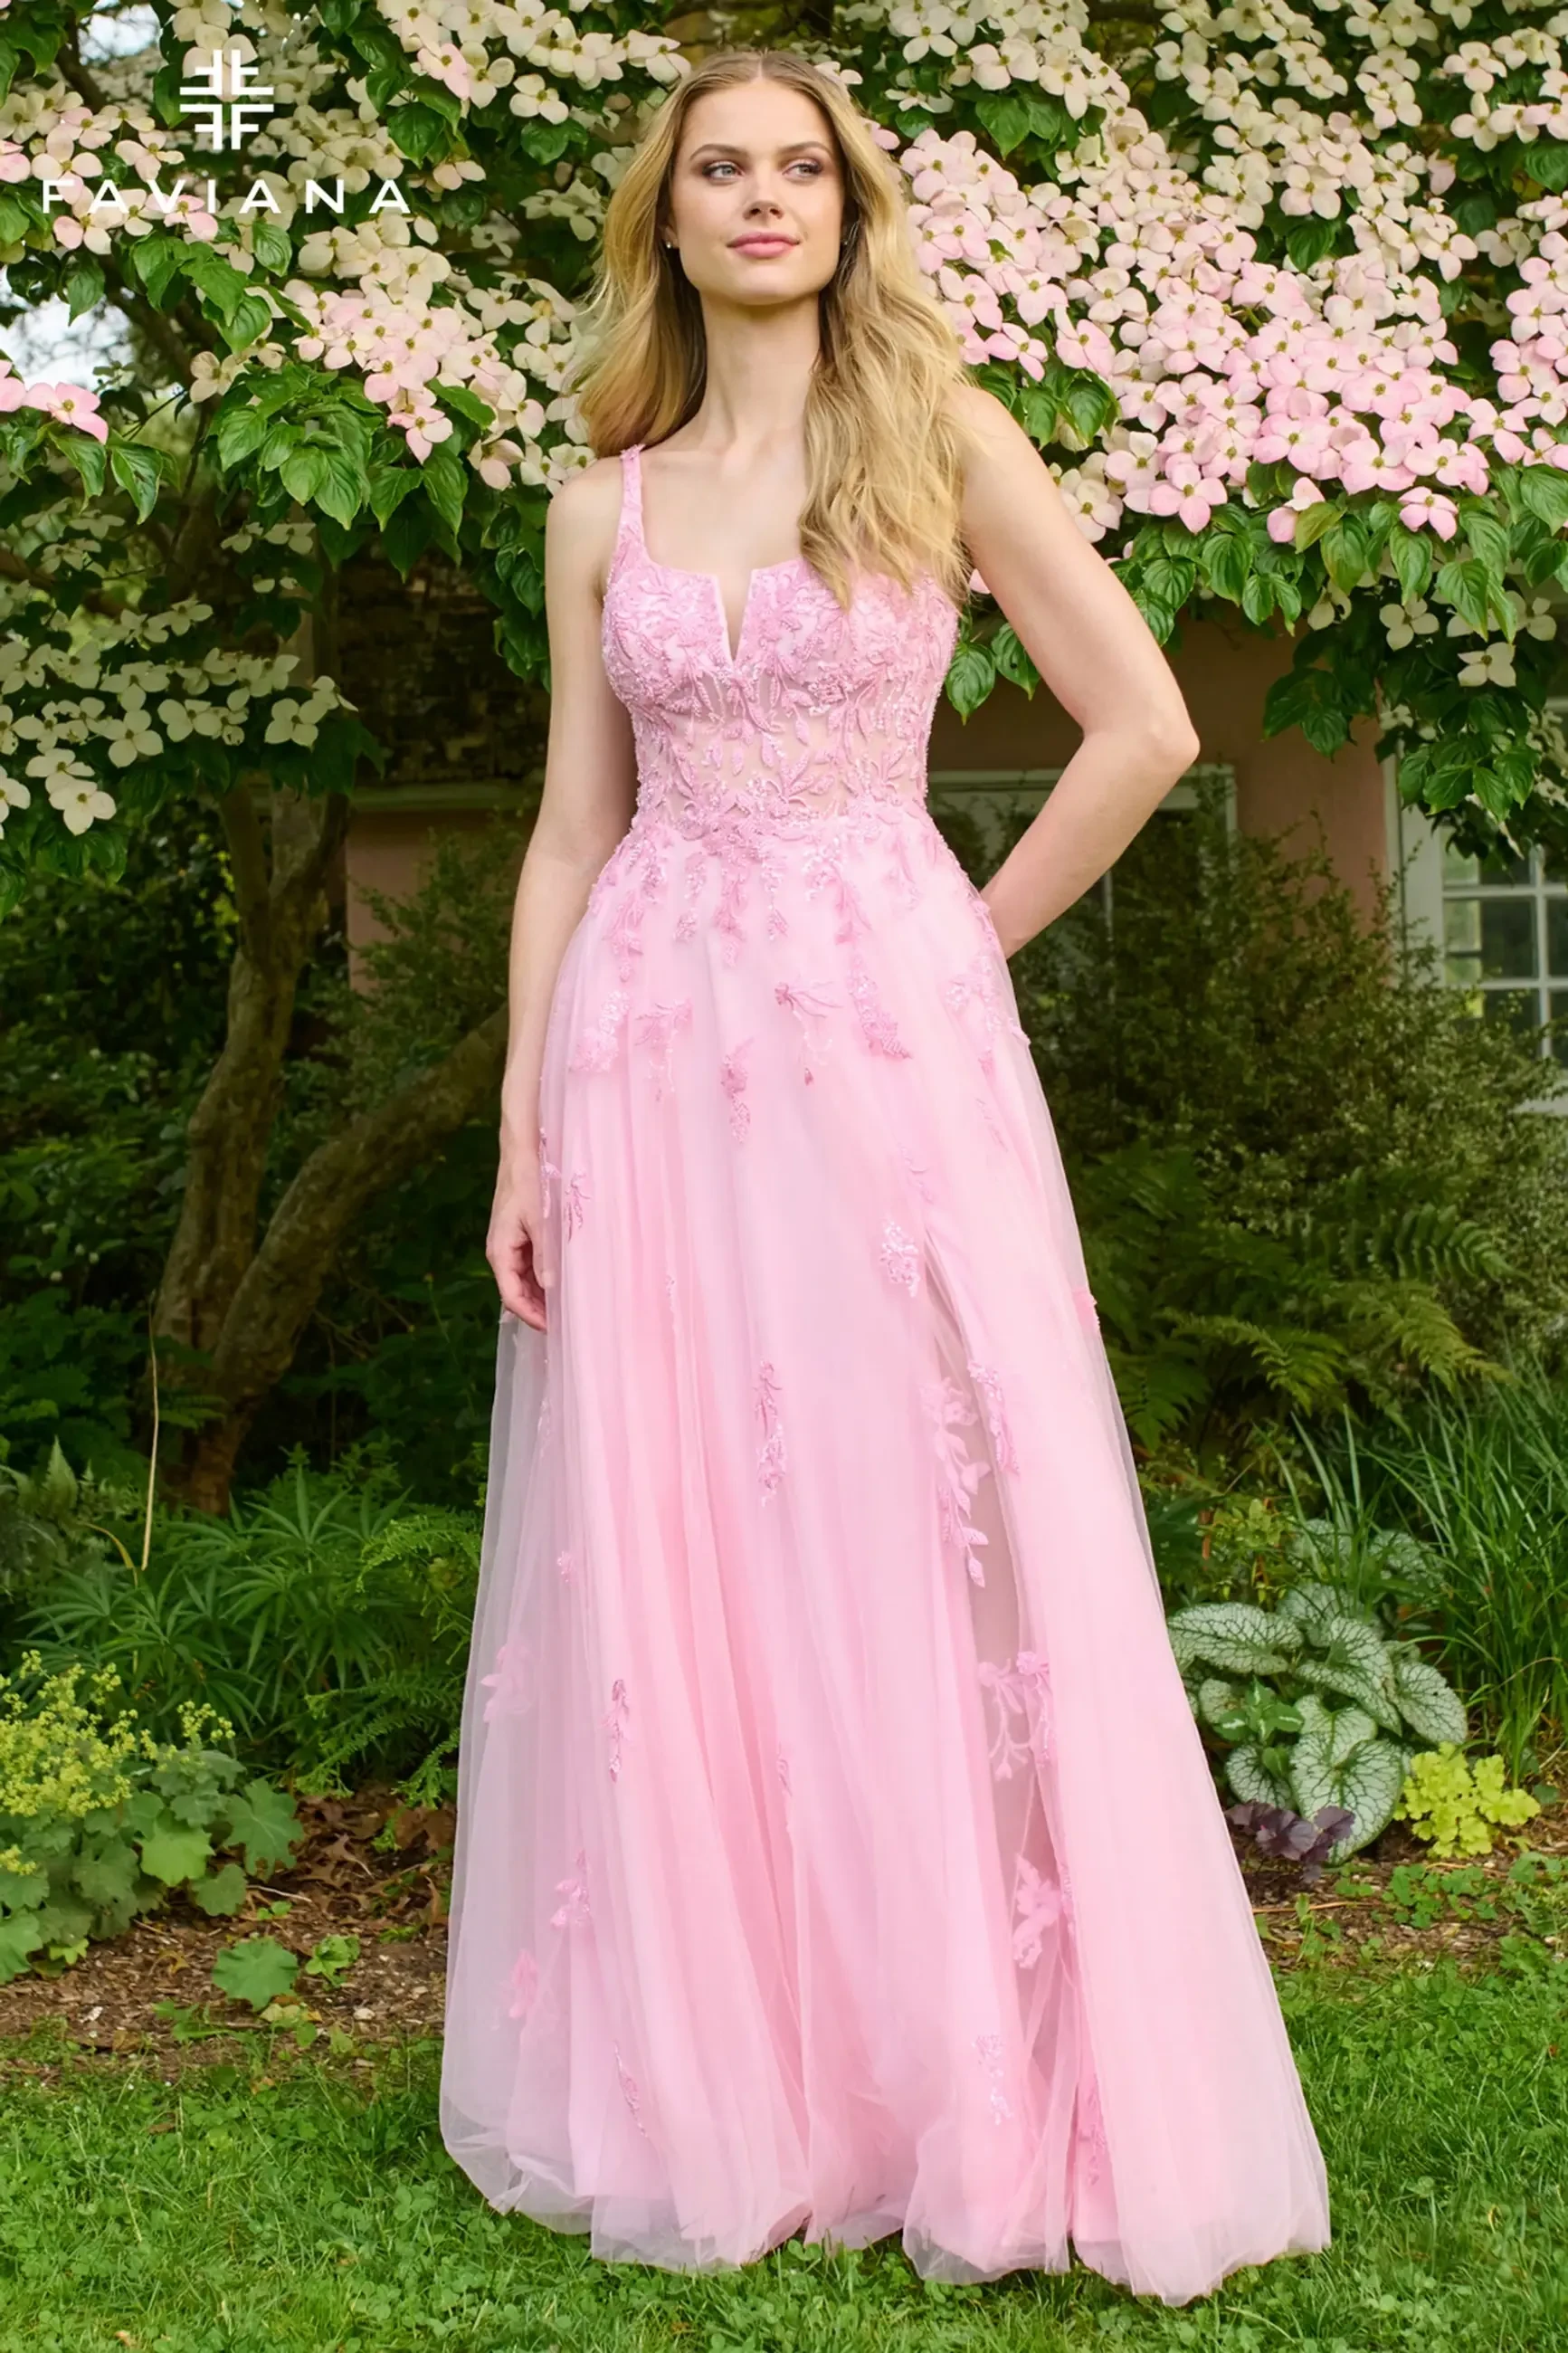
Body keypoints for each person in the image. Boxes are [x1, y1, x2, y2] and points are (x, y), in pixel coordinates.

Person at [439, 44, 1332, 2305]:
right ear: (665, 220)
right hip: (648, 1050)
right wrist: (525, 1115)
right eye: (719, 170)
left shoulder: (940, 441)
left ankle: (972, 2065)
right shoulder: (598, 508)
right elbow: (567, 831)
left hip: (881, 1042)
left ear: (846, 211)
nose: (762, 199)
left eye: (799, 170)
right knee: (690, 1532)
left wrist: (956, 940)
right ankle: (742, 2078)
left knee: (921, 1506)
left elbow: (1143, 723)